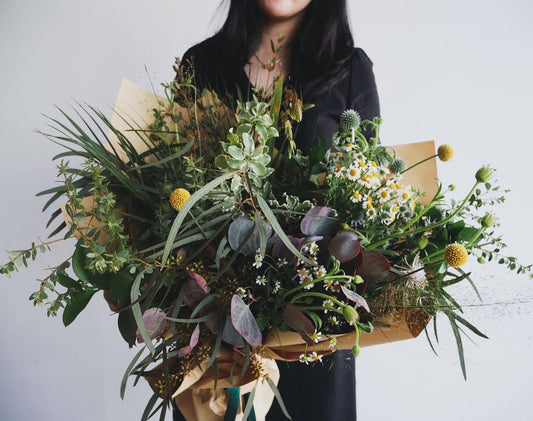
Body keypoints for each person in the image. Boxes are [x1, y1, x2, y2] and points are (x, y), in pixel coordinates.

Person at [175, 1, 380, 419]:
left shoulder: (350, 68)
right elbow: (170, 198)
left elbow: (368, 206)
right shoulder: (201, 64)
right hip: (217, 347)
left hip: (313, 343)